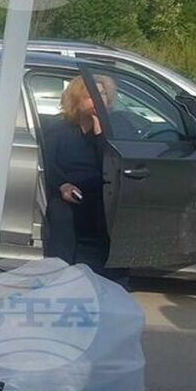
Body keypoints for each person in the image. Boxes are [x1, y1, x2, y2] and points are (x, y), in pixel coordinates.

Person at [43, 75, 120, 277]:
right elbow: (49, 163)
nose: (98, 100)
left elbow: (112, 164)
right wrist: (63, 185)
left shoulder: (114, 129)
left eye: (102, 95)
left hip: (101, 192)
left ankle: (93, 277)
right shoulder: (58, 129)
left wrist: (99, 132)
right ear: (77, 100)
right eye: (91, 96)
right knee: (61, 213)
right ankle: (60, 274)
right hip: (67, 191)